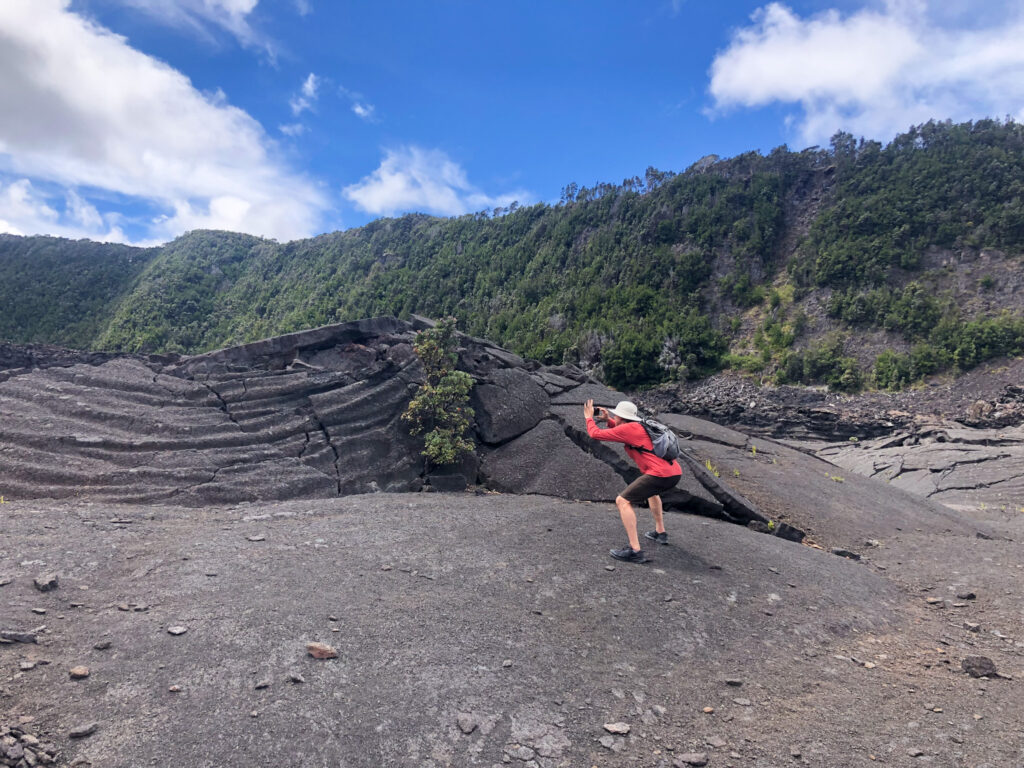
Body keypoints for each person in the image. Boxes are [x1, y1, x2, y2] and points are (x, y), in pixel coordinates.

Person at [583, 399, 682, 563]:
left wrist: (588, 418)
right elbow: (623, 432)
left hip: (659, 474)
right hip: (673, 472)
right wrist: (608, 420)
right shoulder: (639, 426)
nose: (615, 417)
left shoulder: (629, 429)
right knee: (652, 493)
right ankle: (660, 532)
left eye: (616, 416)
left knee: (622, 501)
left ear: (621, 417)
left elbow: (595, 434)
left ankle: (635, 550)